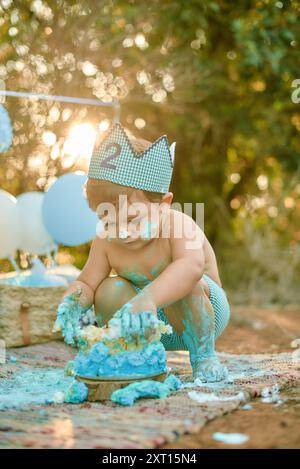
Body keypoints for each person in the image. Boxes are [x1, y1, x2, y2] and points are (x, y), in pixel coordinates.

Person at [55, 122, 230, 382]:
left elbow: (192, 267)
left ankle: (203, 357)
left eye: (133, 219)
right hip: (143, 321)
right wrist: (72, 302)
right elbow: (87, 282)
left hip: (201, 315)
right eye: (109, 221)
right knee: (107, 289)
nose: (122, 231)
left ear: (163, 205)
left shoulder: (180, 224)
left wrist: (149, 298)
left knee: (187, 280)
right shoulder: (106, 240)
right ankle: (136, 354)